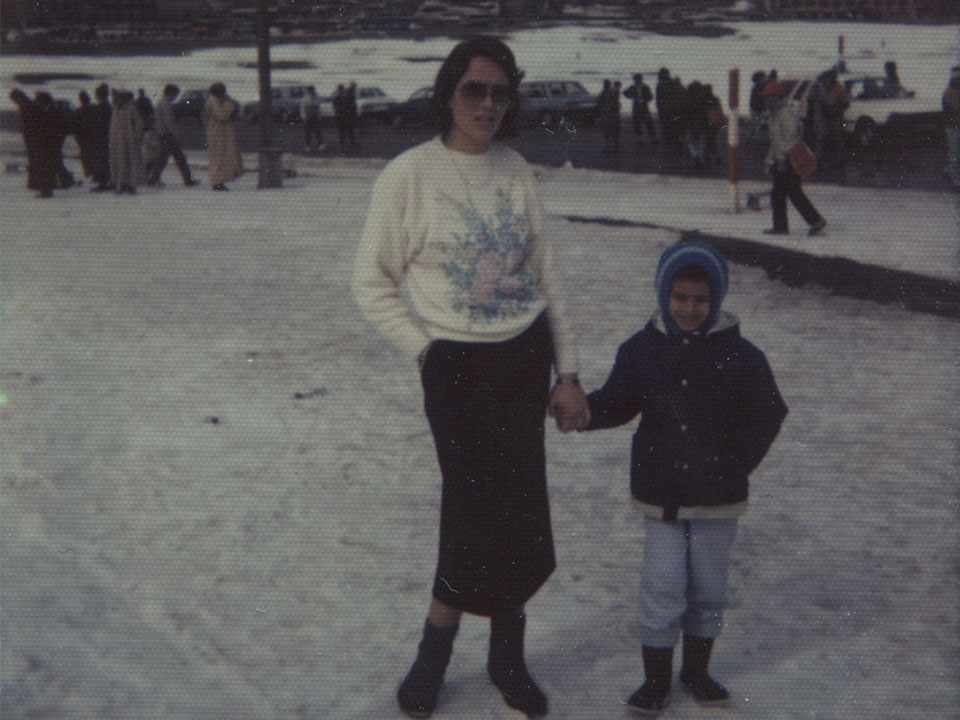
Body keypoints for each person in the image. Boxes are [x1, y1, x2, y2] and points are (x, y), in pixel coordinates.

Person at [352, 36, 589, 719]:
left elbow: (547, 281)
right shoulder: (408, 175)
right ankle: (433, 658)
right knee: (471, 509)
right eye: (473, 90)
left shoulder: (516, 171)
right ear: (447, 93)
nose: (486, 104)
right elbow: (370, 280)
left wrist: (567, 371)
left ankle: (507, 660)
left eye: (499, 92)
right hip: (456, 368)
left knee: (518, 508)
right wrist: (424, 351)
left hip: (522, 361)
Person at [578, 240, 788, 715]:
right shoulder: (640, 349)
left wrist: (736, 462)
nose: (689, 309)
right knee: (662, 581)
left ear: (716, 300)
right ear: (662, 295)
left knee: (709, 584)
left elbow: (768, 412)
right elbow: (618, 401)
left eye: (700, 299)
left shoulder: (743, 356)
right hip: (662, 493)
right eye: (680, 297)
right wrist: (584, 412)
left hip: (718, 495)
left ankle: (696, 671)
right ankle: (655, 680)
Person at [761, 82, 827, 236]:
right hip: (782, 159)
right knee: (787, 193)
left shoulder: (785, 113)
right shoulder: (774, 114)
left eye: (768, 97)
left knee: (787, 193)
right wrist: (770, 160)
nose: (766, 100)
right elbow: (776, 141)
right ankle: (794, 224)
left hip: (789, 160)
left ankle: (808, 222)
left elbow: (791, 138)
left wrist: (782, 159)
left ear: (776, 97)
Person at [148, 84, 197, 186]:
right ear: (170, 93)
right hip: (168, 136)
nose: (175, 97)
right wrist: (176, 134)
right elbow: (169, 122)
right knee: (174, 159)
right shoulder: (166, 105)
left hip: (164, 135)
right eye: (175, 95)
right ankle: (188, 180)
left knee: (168, 159)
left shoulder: (160, 103)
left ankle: (153, 179)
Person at [203, 82, 242, 191]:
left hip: (221, 133)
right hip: (217, 134)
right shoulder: (213, 102)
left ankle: (220, 181)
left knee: (222, 158)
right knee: (218, 159)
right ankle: (217, 182)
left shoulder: (217, 101)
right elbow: (222, 115)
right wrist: (229, 104)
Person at [109, 89, 144, 195]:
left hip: (129, 141)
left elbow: (139, 123)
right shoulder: (115, 109)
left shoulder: (130, 108)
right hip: (117, 141)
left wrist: (137, 136)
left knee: (129, 163)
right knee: (119, 163)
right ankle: (120, 185)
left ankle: (130, 185)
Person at [89, 83, 114, 191]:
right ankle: (110, 181)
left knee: (101, 161)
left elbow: (95, 124)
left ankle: (102, 184)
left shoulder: (99, 108)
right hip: (108, 137)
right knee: (108, 160)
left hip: (100, 138)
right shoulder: (110, 107)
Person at [624, 73, 656, 145]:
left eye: (637, 79)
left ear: (640, 79)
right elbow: (625, 92)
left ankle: (652, 138)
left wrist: (644, 99)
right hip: (637, 106)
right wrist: (633, 97)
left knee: (649, 122)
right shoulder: (633, 87)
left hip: (644, 106)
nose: (636, 81)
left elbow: (651, 96)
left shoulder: (645, 87)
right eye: (635, 79)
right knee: (637, 122)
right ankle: (640, 139)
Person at [942, 66, 960, 190]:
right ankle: (953, 176)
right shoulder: (951, 91)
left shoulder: (951, 90)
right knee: (955, 152)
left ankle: (950, 171)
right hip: (953, 125)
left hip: (953, 124)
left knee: (955, 151)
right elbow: (955, 106)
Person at [299, 85, 324, 153]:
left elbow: (319, 108)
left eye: (312, 90)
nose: (312, 92)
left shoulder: (317, 98)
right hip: (308, 117)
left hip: (315, 117)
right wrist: (304, 117)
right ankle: (307, 146)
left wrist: (319, 116)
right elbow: (302, 109)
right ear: (308, 91)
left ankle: (321, 145)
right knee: (307, 132)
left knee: (317, 131)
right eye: (310, 90)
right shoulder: (304, 99)